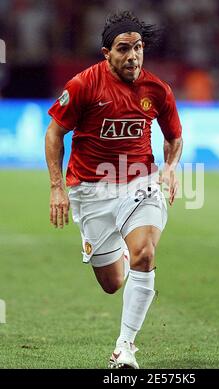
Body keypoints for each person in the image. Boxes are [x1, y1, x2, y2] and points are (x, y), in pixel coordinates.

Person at [45, 10, 183, 369]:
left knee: (145, 254)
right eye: (123, 49)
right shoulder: (82, 86)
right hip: (90, 191)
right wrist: (56, 187)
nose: (132, 56)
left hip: (139, 183)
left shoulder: (157, 90)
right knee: (111, 283)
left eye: (138, 48)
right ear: (106, 52)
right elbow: (55, 133)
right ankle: (121, 246)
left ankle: (125, 348)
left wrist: (169, 168)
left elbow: (174, 137)